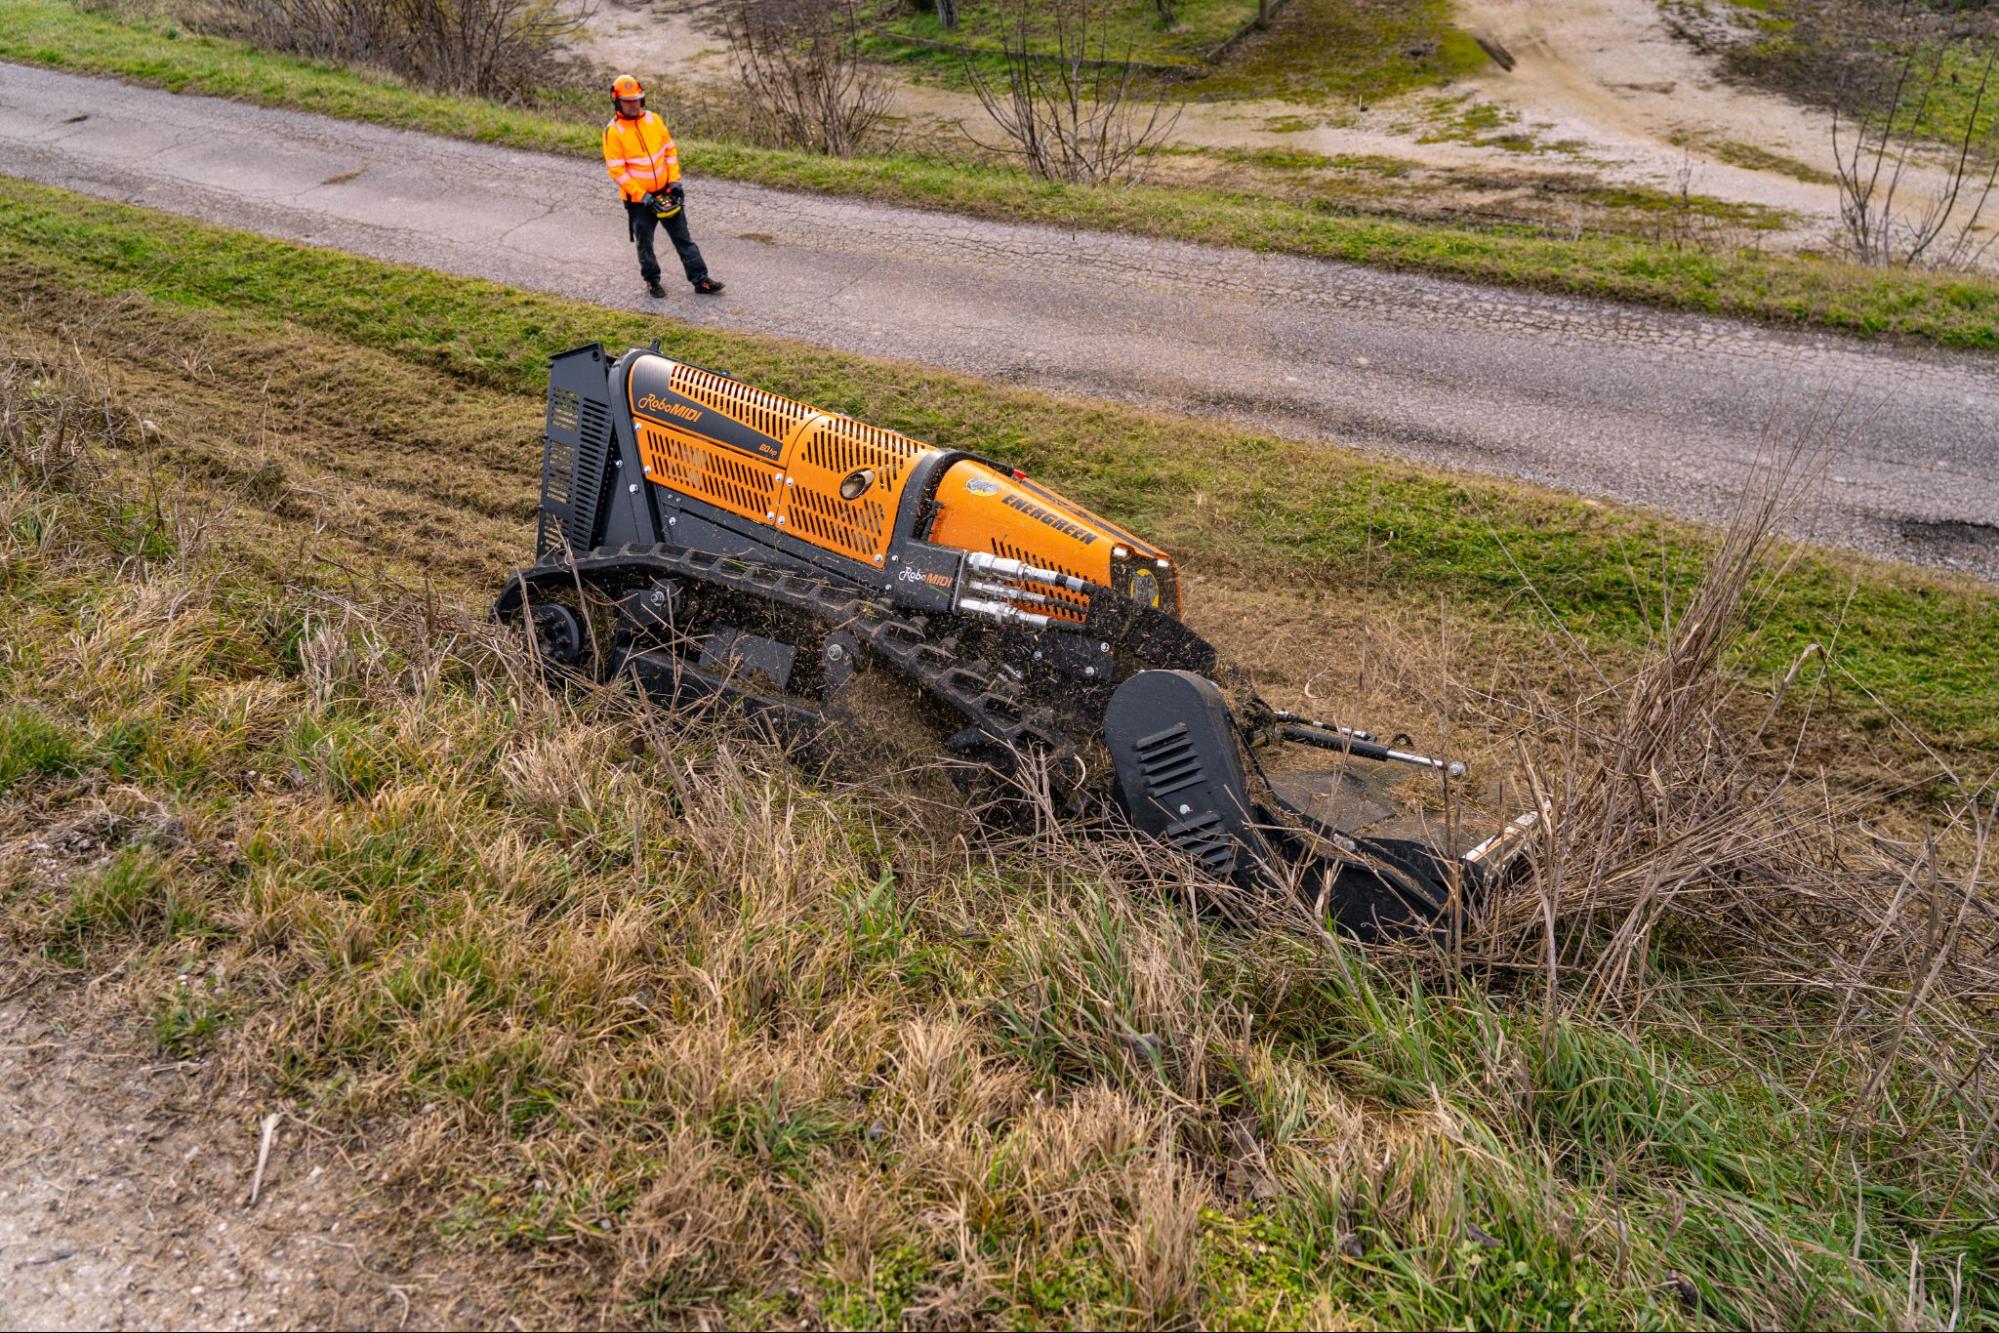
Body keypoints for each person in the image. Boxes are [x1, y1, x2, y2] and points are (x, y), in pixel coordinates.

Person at [602, 74, 724, 299]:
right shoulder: (614, 131)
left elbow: (669, 150)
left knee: (683, 239)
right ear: (617, 102)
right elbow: (617, 171)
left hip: (667, 192)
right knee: (645, 243)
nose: (633, 104)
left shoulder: (653, 120)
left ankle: (701, 280)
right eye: (628, 101)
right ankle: (652, 280)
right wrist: (643, 196)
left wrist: (675, 181)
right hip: (639, 202)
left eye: (636, 99)